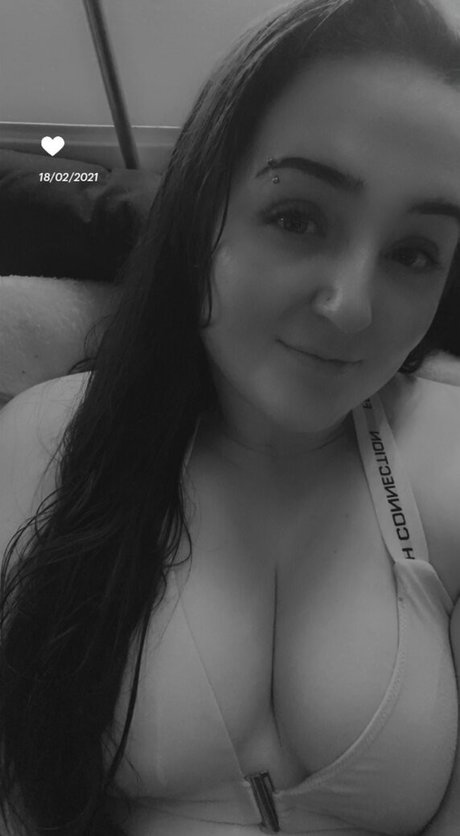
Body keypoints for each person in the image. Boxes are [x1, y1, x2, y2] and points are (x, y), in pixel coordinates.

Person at [1, 0, 460, 833]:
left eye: (413, 253)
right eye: (297, 217)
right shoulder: (46, 443)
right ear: (199, 209)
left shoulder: (447, 456)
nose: (352, 307)